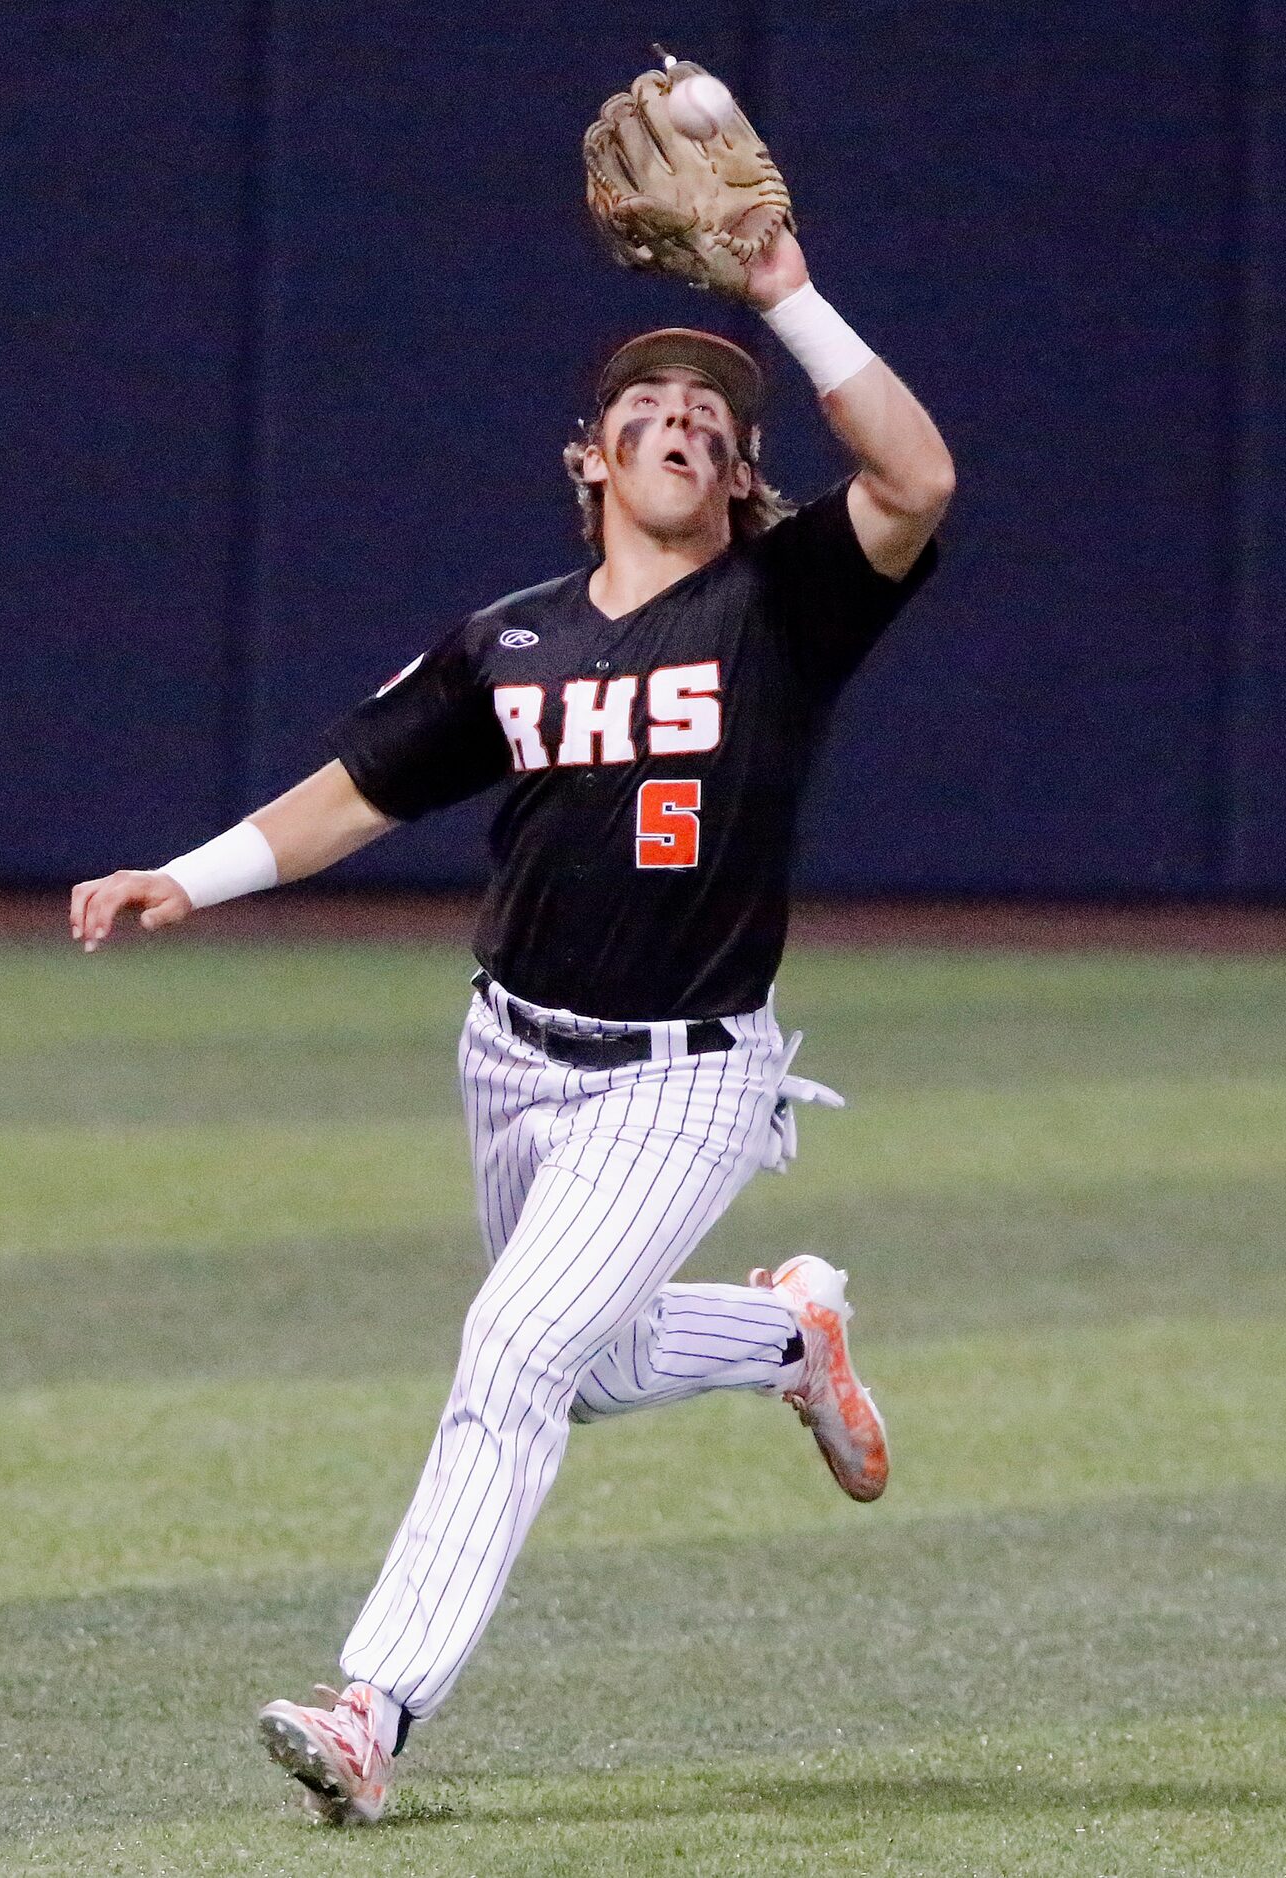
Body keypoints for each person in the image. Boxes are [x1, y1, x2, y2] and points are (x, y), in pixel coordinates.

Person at [69, 223, 953, 1824]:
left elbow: (916, 481)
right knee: (591, 1363)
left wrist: (786, 302)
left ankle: (373, 1707)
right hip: (513, 1057)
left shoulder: (784, 604)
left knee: (512, 1349)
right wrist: (188, 879)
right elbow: (359, 791)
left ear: (745, 475)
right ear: (590, 457)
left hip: (686, 1075)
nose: (680, 415)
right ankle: (783, 1334)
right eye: (649, 403)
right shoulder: (514, 636)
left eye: (712, 413)